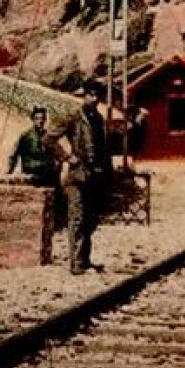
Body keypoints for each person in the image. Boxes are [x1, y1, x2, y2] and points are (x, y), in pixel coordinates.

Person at [65, 81, 112, 274]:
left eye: (97, 95)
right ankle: (76, 262)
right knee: (77, 218)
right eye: (91, 94)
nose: (95, 98)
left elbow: (103, 148)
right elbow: (49, 138)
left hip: (95, 177)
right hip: (77, 176)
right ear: (84, 95)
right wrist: (67, 156)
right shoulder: (74, 115)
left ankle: (85, 259)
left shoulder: (99, 119)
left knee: (90, 220)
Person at [8, 106, 66, 229]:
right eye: (37, 118)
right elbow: (14, 154)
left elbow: (59, 152)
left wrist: (59, 165)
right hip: (32, 172)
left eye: (42, 119)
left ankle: (56, 223)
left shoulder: (49, 136)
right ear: (33, 120)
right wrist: (9, 172)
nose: (40, 121)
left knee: (57, 196)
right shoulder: (25, 136)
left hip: (48, 173)